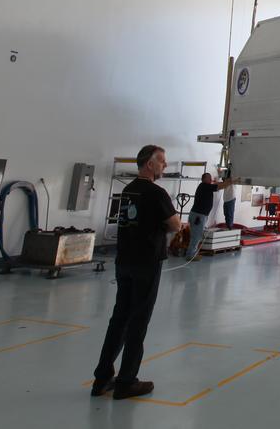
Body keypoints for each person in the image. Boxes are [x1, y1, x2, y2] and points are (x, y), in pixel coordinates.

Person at [92, 144, 178, 401]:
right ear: (149, 164)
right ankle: (127, 381)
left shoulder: (128, 190)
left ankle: (102, 377)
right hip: (147, 262)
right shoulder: (156, 192)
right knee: (139, 321)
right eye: (161, 161)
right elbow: (173, 224)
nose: (164, 165)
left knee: (119, 318)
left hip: (125, 261)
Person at [185, 173, 216, 259]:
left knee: (196, 235)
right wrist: (230, 182)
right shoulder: (204, 186)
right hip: (198, 216)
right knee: (197, 236)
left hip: (198, 215)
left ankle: (192, 253)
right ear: (205, 179)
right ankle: (190, 255)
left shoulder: (205, 186)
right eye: (209, 178)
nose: (211, 180)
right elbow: (218, 186)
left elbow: (216, 185)